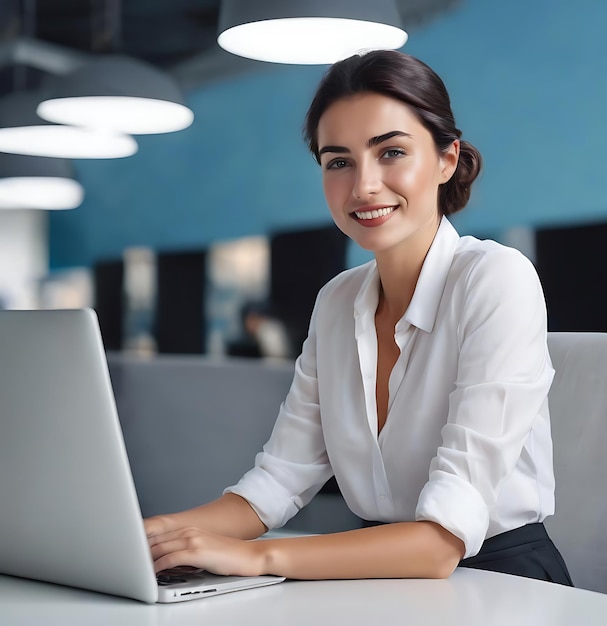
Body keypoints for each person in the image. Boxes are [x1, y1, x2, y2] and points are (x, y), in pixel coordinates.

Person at [145, 50, 572, 585]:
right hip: (377, 575)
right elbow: (274, 485)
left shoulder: (495, 278)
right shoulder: (336, 301)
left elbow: (440, 543)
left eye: (391, 151)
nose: (364, 185)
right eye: (338, 161)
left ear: (446, 159)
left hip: (502, 585)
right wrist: (152, 534)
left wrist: (257, 558)